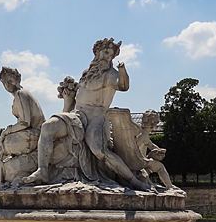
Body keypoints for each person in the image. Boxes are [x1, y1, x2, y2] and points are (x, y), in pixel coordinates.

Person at [23, 38, 149, 190]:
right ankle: (42, 171)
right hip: (76, 115)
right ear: (97, 53)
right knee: (48, 127)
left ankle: (133, 181)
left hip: (96, 119)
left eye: (110, 55)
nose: (106, 57)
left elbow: (123, 86)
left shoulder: (111, 74)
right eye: (105, 53)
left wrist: (122, 70)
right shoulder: (87, 73)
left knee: (99, 150)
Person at [136, 110, 175, 189]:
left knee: (152, 167)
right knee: (160, 166)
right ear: (152, 123)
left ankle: (168, 185)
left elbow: (151, 145)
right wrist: (146, 158)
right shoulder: (143, 135)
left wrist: (159, 150)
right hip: (139, 162)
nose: (156, 126)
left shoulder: (143, 133)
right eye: (156, 124)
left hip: (141, 160)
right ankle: (169, 186)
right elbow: (134, 148)